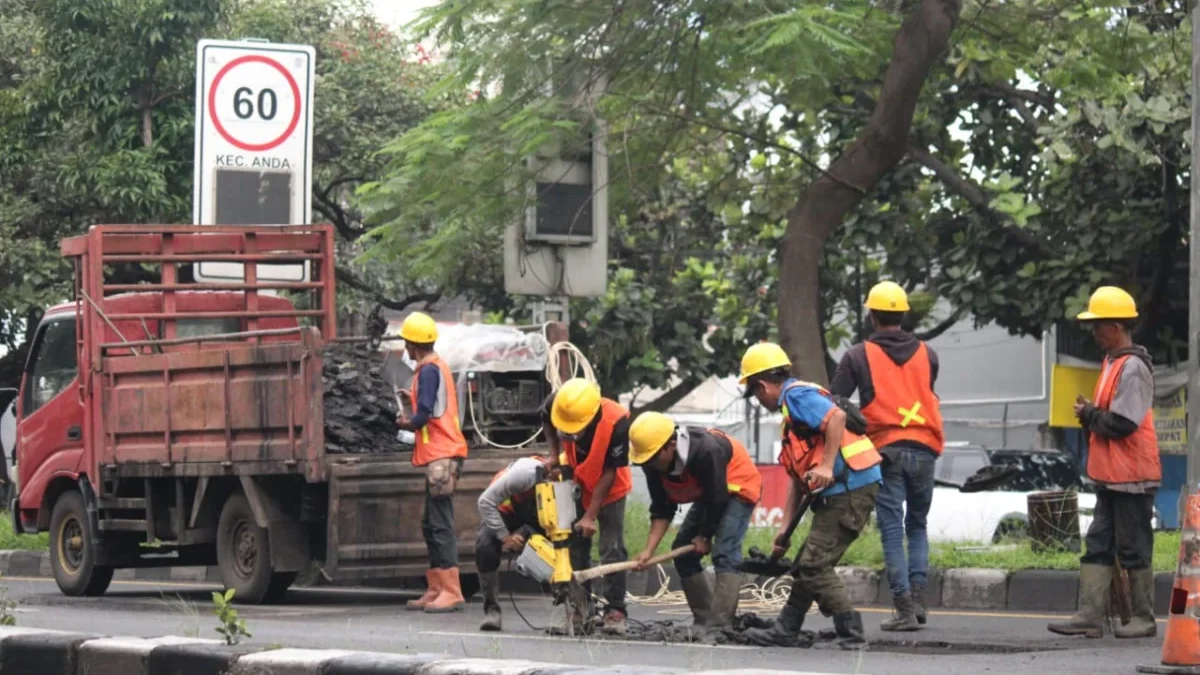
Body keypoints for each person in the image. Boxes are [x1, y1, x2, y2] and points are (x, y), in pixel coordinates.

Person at [736, 343, 883, 648]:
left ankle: (851, 635)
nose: (758, 401)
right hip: (844, 489)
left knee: (814, 565)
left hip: (850, 487)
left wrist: (828, 465)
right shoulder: (792, 417)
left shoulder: (797, 396)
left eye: (754, 393)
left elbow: (837, 418)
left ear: (762, 386)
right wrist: (784, 531)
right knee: (806, 563)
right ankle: (786, 630)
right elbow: (796, 480)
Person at [830, 280, 944, 631]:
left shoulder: (857, 355)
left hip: (887, 450)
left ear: (872, 316)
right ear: (903, 314)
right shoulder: (929, 353)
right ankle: (920, 602)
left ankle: (904, 609)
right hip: (925, 447)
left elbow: (834, 400)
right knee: (918, 525)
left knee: (892, 529)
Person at [1047, 286, 1161, 639]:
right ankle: (1090, 616)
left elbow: (1123, 423)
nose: (1095, 333)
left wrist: (1090, 413)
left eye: (1099, 325)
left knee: (1133, 547)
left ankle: (1143, 618)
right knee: (1098, 544)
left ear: (1116, 326)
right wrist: (1091, 414)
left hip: (1132, 477)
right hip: (1111, 476)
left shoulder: (1133, 368)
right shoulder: (1113, 363)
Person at [630, 412, 762, 633]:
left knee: (725, 552)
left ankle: (721, 626)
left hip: (737, 487)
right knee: (683, 553)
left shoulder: (706, 450)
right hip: (710, 495)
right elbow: (662, 509)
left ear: (671, 445)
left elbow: (717, 498)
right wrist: (648, 550)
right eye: (646, 460)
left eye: (653, 458)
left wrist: (704, 536)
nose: (650, 464)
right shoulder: (652, 463)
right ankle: (704, 620)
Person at [394, 312, 469, 613]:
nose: (406, 350)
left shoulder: (427, 371)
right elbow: (430, 405)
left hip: (443, 455)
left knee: (440, 524)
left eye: (407, 345)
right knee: (431, 523)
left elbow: (425, 414)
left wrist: (405, 422)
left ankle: (451, 590)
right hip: (442, 454)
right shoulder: (433, 368)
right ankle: (437, 587)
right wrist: (410, 398)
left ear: (413, 345)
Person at [546, 378, 633, 635]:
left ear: (591, 416)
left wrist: (591, 516)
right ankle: (583, 609)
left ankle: (615, 611)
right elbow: (545, 420)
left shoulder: (617, 421)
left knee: (611, 547)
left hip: (610, 489)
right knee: (574, 546)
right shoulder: (559, 403)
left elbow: (609, 472)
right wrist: (554, 454)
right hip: (577, 481)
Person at [475, 454, 557, 631]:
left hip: (539, 513)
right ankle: (492, 611)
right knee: (485, 546)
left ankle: (577, 607)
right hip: (504, 511)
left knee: (562, 549)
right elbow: (484, 502)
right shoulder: (522, 475)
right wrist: (505, 536)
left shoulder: (566, 481)